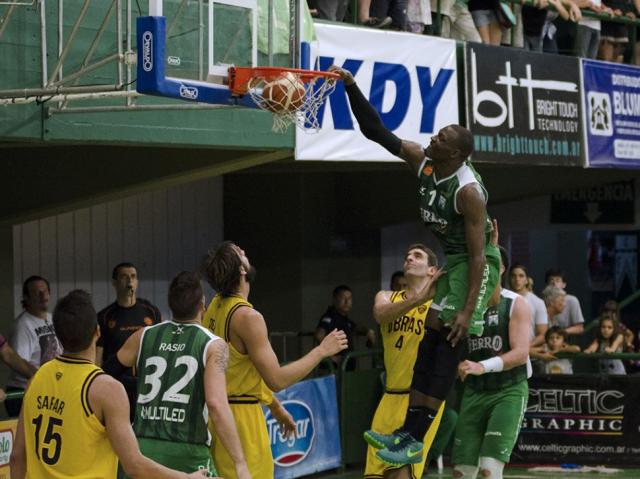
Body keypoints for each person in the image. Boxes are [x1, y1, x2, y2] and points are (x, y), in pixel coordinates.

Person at [330, 65, 501, 467]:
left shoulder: (468, 191)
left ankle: (416, 438)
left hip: (475, 263)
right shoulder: (423, 163)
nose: (433, 137)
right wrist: (351, 87)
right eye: (437, 133)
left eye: (442, 138)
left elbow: (479, 257)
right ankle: (408, 431)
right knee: (430, 336)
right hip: (455, 259)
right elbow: (376, 131)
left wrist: (467, 310)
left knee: (447, 338)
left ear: (455, 154)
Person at [10, 290, 207, 479]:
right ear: (97, 332)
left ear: (58, 335)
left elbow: (17, 457)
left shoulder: (36, 379)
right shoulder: (105, 389)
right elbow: (134, 465)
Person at [201, 241, 348, 479]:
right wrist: (321, 351)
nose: (245, 251)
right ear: (241, 269)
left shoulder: (214, 306)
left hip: (216, 418)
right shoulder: (247, 317)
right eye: (240, 252)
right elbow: (277, 380)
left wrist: (276, 408)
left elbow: (241, 373)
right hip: (241, 421)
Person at [109, 272, 251, 478]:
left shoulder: (144, 335)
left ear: (170, 304)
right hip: (188, 452)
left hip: (142, 450)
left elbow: (106, 373)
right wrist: (240, 462)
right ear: (202, 304)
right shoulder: (214, 345)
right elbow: (216, 405)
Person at [364, 244, 444, 479]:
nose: (409, 258)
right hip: (390, 396)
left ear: (432, 271)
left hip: (421, 400)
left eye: (417, 256)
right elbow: (381, 315)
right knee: (374, 474)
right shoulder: (386, 296)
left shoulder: (439, 307)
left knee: (402, 474)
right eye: (407, 255)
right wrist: (419, 298)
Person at [452, 245, 530, 479]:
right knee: (461, 472)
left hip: (508, 390)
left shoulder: (515, 303)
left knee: (489, 470)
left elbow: (521, 354)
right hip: (474, 391)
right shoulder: (462, 305)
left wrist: (482, 366)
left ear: (500, 268)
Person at [97, 262, 162, 420]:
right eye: (124, 277)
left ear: (137, 281)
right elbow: (98, 359)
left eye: (133, 277)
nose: (129, 281)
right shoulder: (105, 316)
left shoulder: (151, 312)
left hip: (147, 385)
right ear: (115, 282)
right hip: (117, 386)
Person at [6, 275, 63, 417]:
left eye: (45, 291)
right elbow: (19, 363)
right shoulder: (23, 326)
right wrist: (43, 378)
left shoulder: (52, 318)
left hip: (48, 388)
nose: (43, 296)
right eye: (37, 292)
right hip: (25, 391)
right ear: (26, 298)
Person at [315, 285, 376, 371]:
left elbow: (355, 326)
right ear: (335, 300)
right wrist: (331, 357)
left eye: (349, 298)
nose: (347, 301)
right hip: (334, 369)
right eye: (343, 298)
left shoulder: (344, 319)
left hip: (345, 368)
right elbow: (319, 335)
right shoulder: (330, 317)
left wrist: (368, 331)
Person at [509, 264, 547, 346]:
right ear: (509, 279)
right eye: (513, 276)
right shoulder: (503, 299)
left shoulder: (538, 302)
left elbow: (543, 334)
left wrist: (524, 348)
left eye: (521, 276)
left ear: (526, 280)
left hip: (529, 350)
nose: (517, 279)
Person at [544, 270, 584, 336]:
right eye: (551, 280)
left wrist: (560, 333)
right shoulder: (541, 302)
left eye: (557, 280)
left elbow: (580, 328)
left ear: (564, 284)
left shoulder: (572, 300)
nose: (554, 283)